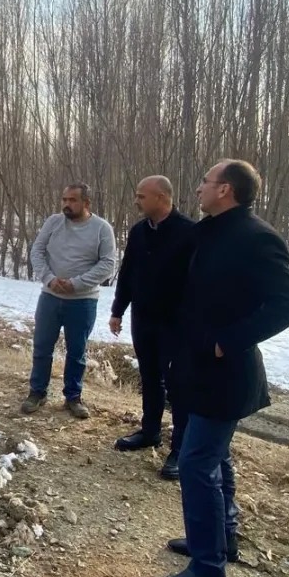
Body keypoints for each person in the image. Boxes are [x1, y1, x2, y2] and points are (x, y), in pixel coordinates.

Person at [153, 160, 289, 577]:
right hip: (197, 367)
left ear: (226, 190)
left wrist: (227, 343)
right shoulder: (210, 231)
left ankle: (208, 572)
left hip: (226, 373)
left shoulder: (256, 238)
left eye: (205, 181)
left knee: (198, 462)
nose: (198, 187)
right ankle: (222, 539)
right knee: (213, 459)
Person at [109, 176, 195, 480]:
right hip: (143, 320)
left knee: (178, 386)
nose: (136, 201)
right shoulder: (138, 231)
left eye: (141, 196)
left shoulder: (189, 232)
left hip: (176, 324)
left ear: (161, 197)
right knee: (149, 377)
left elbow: (198, 282)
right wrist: (118, 310)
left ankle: (181, 449)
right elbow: (128, 272)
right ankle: (150, 432)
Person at [21, 183, 117, 420]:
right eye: (64, 199)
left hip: (82, 301)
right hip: (50, 297)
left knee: (77, 351)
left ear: (86, 203)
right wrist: (49, 279)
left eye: (72, 200)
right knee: (42, 346)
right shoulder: (53, 222)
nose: (66, 204)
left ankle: (73, 397)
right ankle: (37, 392)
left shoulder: (101, 229)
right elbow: (37, 252)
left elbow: (107, 264)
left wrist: (76, 283)